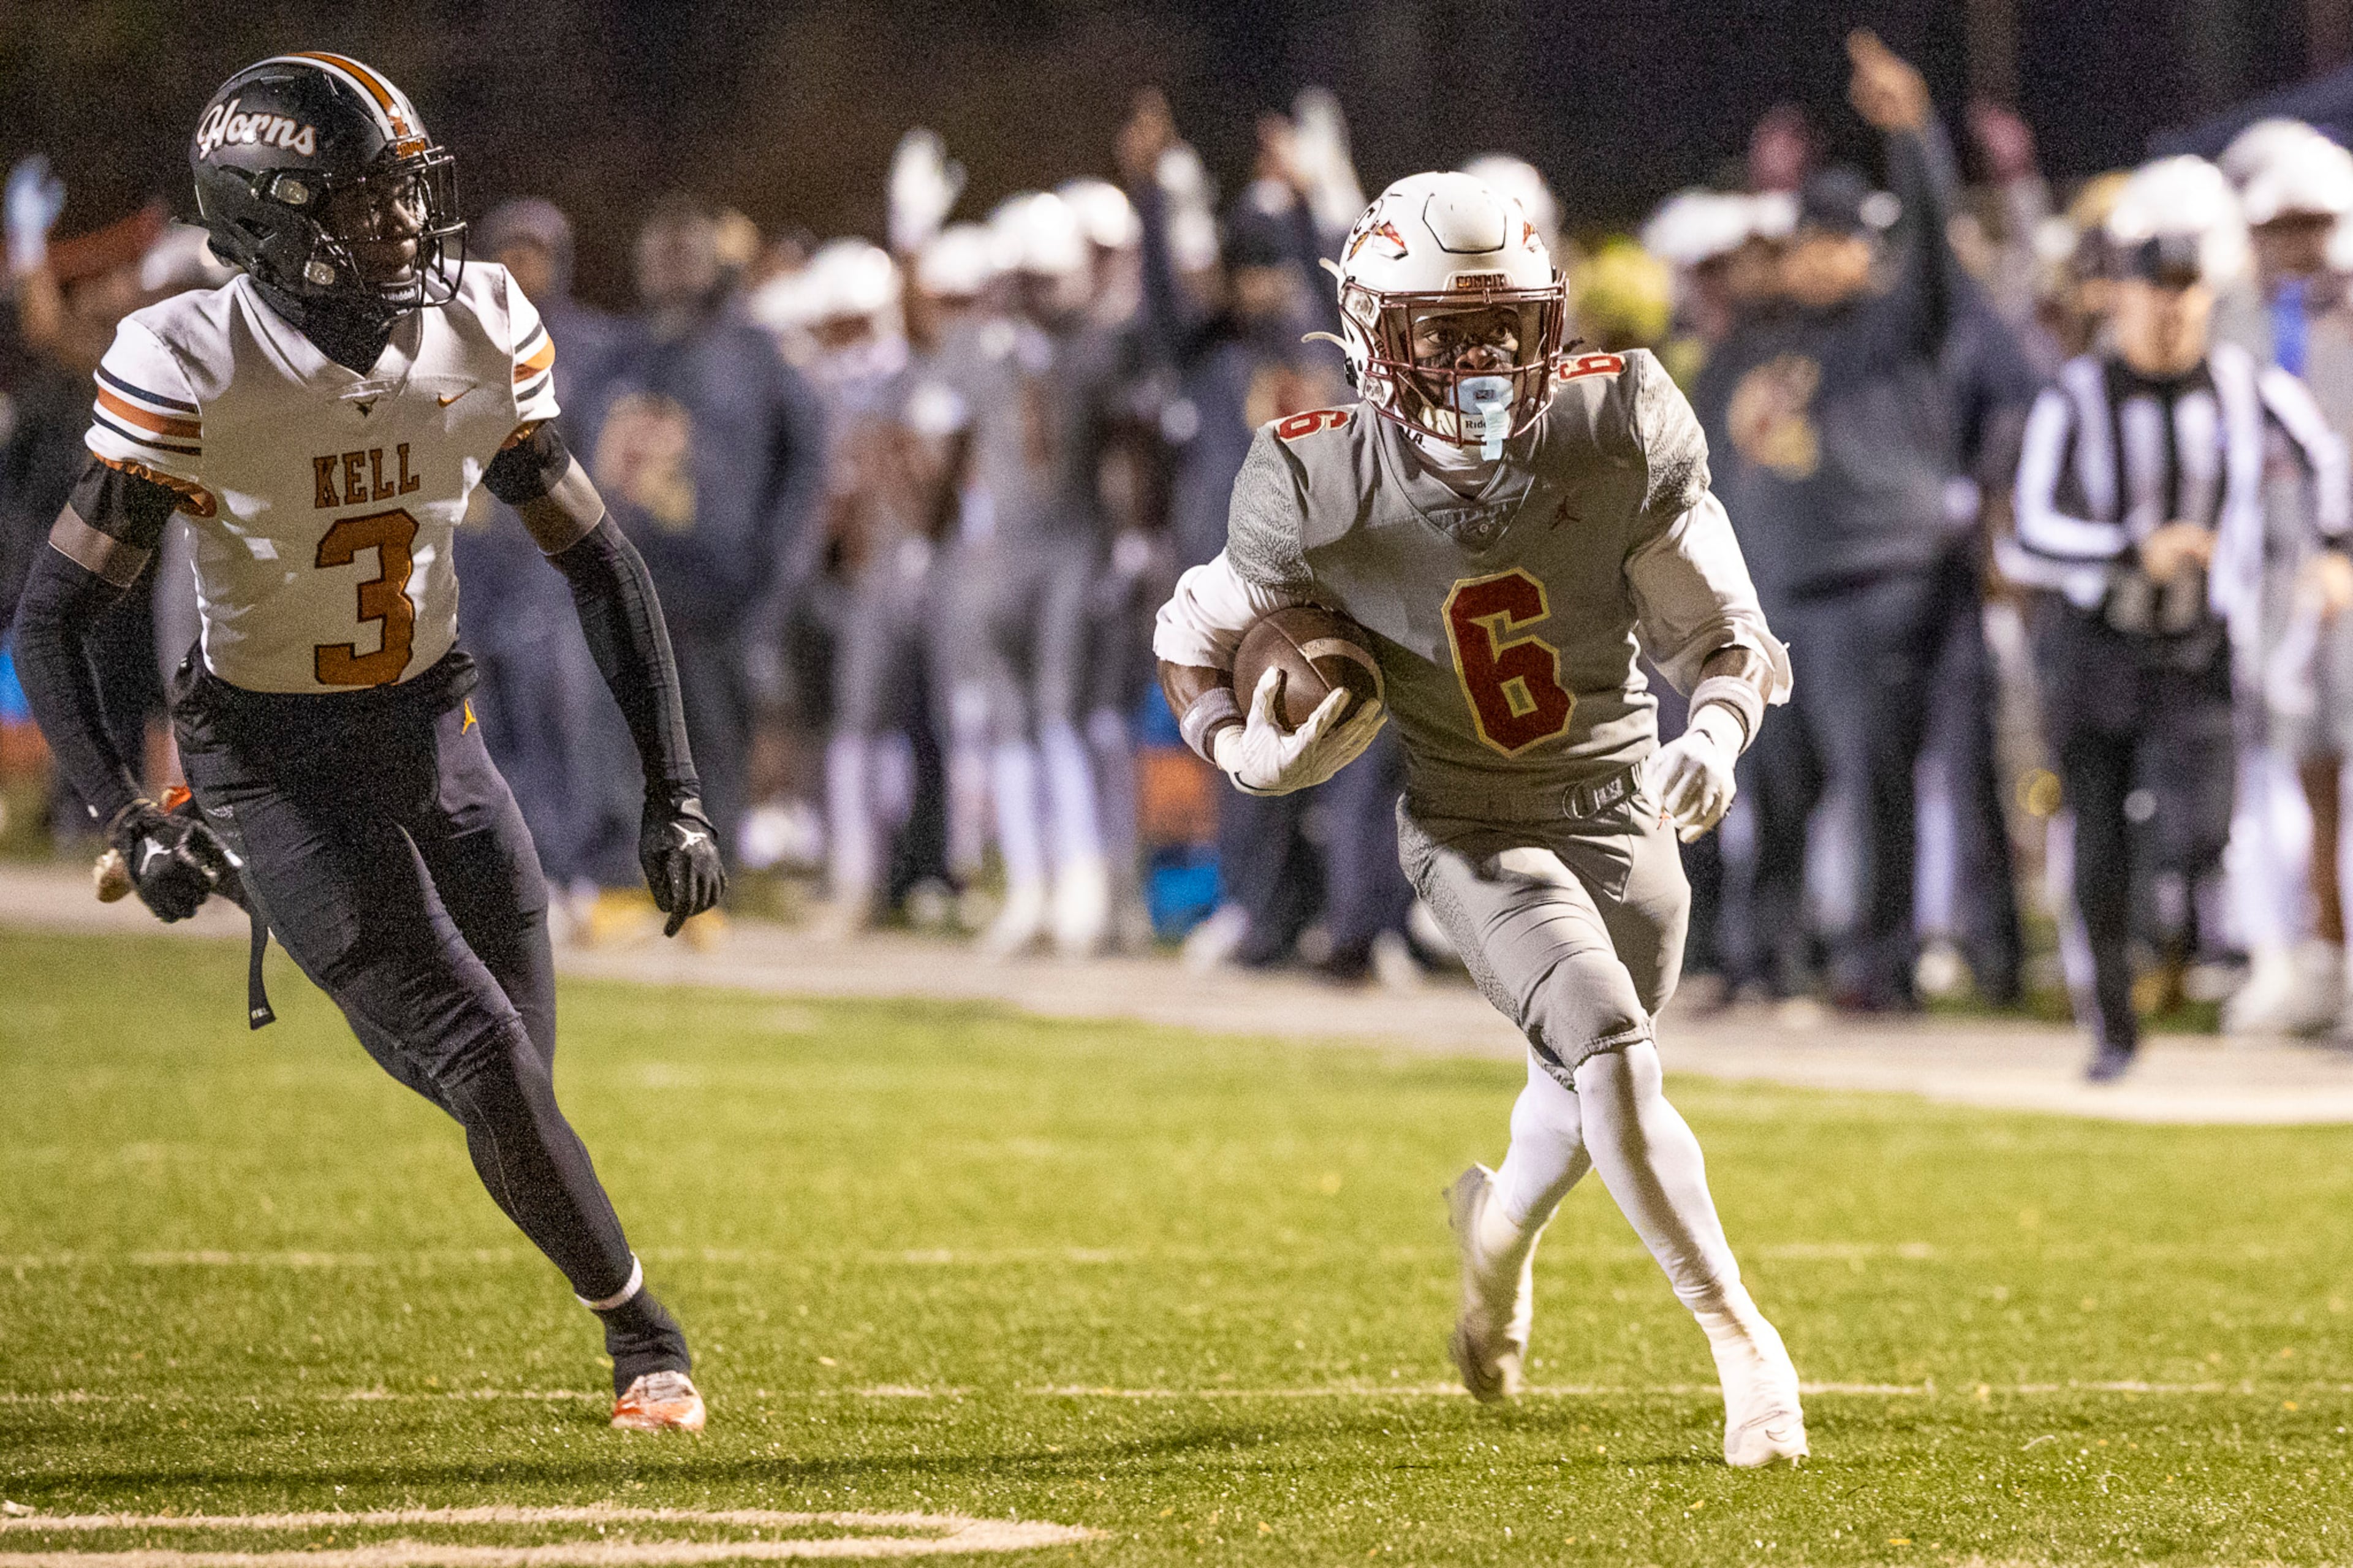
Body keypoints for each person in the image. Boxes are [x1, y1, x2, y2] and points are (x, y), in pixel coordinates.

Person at [7, 53, 724, 1428]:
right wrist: (124, 811)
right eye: (370, 205)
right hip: (268, 755)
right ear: (274, 226)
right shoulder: (189, 358)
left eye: (408, 194)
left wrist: (674, 792)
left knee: (511, 1067)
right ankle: (648, 1341)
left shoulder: (473, 326)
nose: (408, 229)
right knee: (481, 1056)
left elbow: (603, 564)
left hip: (430, 724)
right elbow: (55, 617)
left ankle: (307, 924)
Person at [1153, 170, 1805, 1466]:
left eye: (1504, 326)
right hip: (1470, 821)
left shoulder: (1618, 422)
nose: (1480, 359)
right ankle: (1746, 1346)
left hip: (1623, 802)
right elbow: (1190, 634)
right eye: (1443, 332)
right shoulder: (1316, 475)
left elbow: (1726, 635)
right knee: (1611, 1050)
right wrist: (1243, 753)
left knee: (1579, 1081)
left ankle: (1494, 1251)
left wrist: (1719, 735)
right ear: (1371, 335)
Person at [2010, 156, 2349, 1080]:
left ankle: (2178, 939)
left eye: (2185, 289)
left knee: (2201, 826)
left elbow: (2325, 455)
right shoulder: (2077, 396)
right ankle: (2114, 1024)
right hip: (2095, 645)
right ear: (2120, 298)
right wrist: (2131, 548)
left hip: (2198, 644)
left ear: (2208, 293)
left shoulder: (2245, 386)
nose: (2170, 309)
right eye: (2152, 290)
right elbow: (2030, 530)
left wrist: (2331, 547)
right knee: (2102, 833)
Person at [1693, 32, 1974, 1010]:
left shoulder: (1899, 326)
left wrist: (1916, 137)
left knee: (1876, 788)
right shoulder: (1750, 344)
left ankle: (1881, 963)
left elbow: (1938, 254)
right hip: (1769, 601)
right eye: (1815, 237)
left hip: (1875, 586)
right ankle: (1761, 958)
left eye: (1848, 238)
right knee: (1767, 794)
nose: (1830, 255)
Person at [576, 196, 827, 903]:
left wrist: (776, 567)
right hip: (627, 583)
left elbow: (804, 462)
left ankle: (714, 884)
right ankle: (626, 876)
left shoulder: (757, 355)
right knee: (619, 736)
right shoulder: (616, 357)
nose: (673, 269)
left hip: (720, 589)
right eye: (662, 253)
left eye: (687, 253)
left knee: (713, 736)